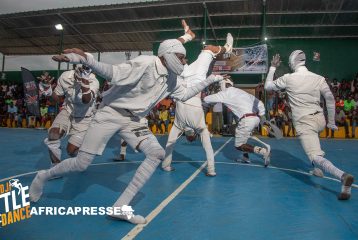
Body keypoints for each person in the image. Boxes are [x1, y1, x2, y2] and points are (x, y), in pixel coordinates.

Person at [29, 20, 227, 224]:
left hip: (134, 120)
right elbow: (113, 72)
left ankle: (119, 208)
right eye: (181, 57)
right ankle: (43, 176)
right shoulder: (146, 63)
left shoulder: (173, 79)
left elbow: (185, 94)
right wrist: (87, 58)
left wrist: (211, 79)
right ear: (166, 55)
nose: (185, 62)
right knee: (81, 164)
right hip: (110, 113)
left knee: (156, 153)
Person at [265, 51, 354, 200]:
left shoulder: (288, 78)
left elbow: (268, 86)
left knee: (315, 155)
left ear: (293, 62)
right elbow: (330, 98)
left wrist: (273, 68)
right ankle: (318, 169)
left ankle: (343, 176)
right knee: (314, 146)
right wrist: (331, 121)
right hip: (320, 120)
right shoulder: (318, 78)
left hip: (305, 122)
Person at [162, 33, 233, 176]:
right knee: (208, 49)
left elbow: (170, 144)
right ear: (192, 135)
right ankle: (227, 48)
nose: (189, 137)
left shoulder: (179, 125)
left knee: (172, 54)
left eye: (188, 138)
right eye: (190, 137)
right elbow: (171, 144)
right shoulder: (195, 125)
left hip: (184, 77)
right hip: (195, 82)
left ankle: (167, 165)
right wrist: (217, 77)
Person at [37, 67, 99, 166]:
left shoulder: (93, 81)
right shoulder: (65, 76)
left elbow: (86, 100)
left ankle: (86, 152)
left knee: (71, 151)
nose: (83, 72)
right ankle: (55, 168)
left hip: (84, 117)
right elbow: (55, 100)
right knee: (53, 134)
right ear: (76, 69)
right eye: (81, 70)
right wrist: (48, 90)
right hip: (68, 111)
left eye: (86, 71)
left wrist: (84, 81)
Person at [204, 79, 271, 166]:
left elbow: (206, 99)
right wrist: (262, 117)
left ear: (222, 85)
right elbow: (260, 103)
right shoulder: (242, 92)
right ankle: (245, 157)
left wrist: (206, 94)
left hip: (246, 120)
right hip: (255, 118)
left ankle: (263, 151)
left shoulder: (225, 93)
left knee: (239, 145)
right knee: (237, 132)